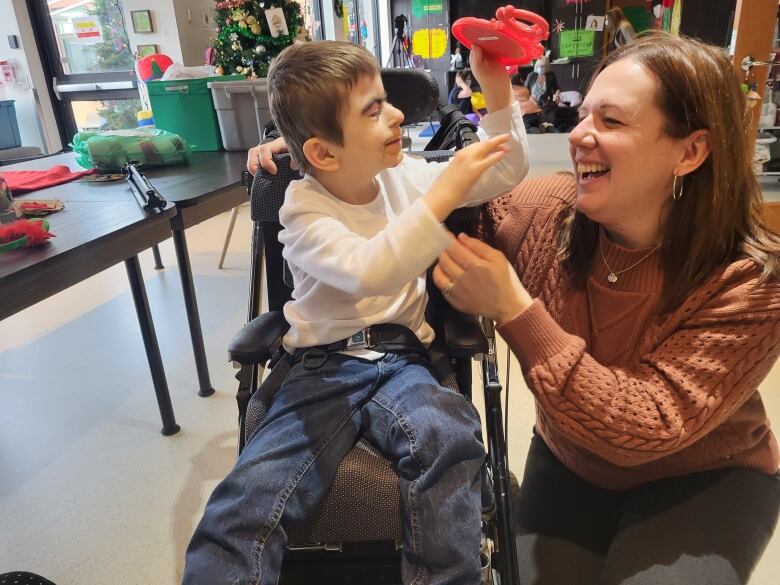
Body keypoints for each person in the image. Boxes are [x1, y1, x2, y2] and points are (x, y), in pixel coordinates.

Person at [432, 33, 780, 584]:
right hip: (573, 460)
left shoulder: (751, 280)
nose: (578, 134)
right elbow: (431, 213)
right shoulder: (548, 210)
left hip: (708, 475)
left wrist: (515, 309)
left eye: (611, 122)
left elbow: (647, 424)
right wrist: (322, 166)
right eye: (584, 114)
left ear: (690, 152)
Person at [184, 40, 530, 585]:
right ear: (323, 154)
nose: (396, 115)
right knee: (248, 500)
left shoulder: (404, 176)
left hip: (405, 360)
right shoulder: (303, 210)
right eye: (374, 110)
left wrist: (496, 90)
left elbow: (506, 170)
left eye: (386, 101)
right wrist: (446, 195)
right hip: (321, 368)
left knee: (451, 440)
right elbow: (371, 270)